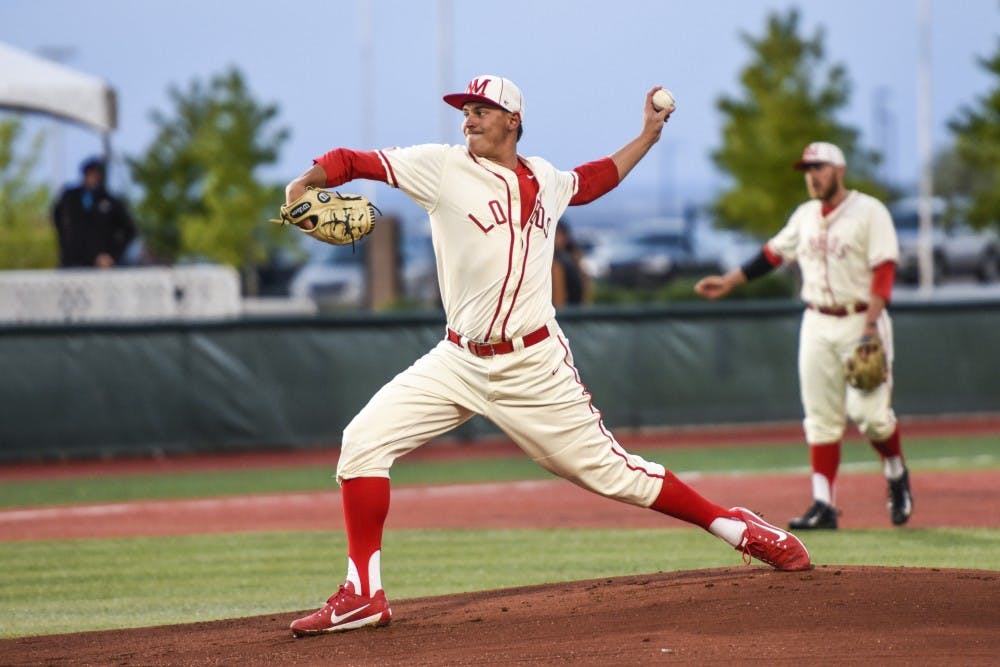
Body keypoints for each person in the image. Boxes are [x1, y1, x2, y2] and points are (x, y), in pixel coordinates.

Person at [284, 75, 810, 638]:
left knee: (615, 475)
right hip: (458, 360)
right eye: (465, 110)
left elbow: (594, 180)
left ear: (512, 119)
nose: (469, 119)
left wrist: (647, 139)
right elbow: (356, 161)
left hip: (533, 365)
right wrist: (303, 184)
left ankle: (733, 525)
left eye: (481, 110)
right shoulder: (440, 167)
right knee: (363, 441)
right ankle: (363, 593)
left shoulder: (547, 180)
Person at [694, 141, 913, 531]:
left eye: (820, 168)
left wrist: (869, 328)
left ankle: (896, 472)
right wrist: (730, 281)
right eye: (808, 169)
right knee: (820, 418)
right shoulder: (805, 215)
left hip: (861, 319)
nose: (812, 176)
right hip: (816, 321)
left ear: (839, 170)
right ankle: (823, 505)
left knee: (870, 418)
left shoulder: (869, 211)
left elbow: (884, 270)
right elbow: (772, 255)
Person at [52, 157, 136, 268]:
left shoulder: (110, 201)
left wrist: (112, 256)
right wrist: (66, 242)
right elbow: (57, 218)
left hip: (98, 265)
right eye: (88, 174)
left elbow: (130, 231)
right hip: (71, 261)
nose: (90, 178)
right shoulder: (70, 197)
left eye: (94, 175)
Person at [551, 221, 591, 307]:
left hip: (565, 316)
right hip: (576, 315)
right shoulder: (574, 258)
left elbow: (559, 301)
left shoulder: (557, 263)